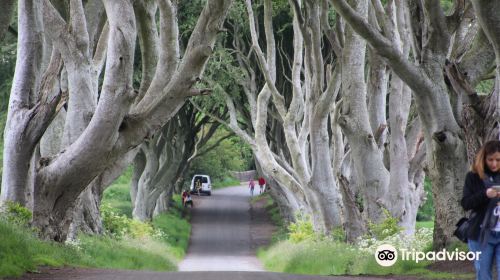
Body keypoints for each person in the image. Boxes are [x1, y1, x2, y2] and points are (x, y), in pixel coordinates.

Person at [461, 140, 500, 280]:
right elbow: (466, 203)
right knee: (483, 275)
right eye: (490, 159)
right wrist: (485, 194)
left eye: (498, 160)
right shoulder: (473, 177)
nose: (494, 164)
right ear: (483, 158)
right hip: (481, 234)